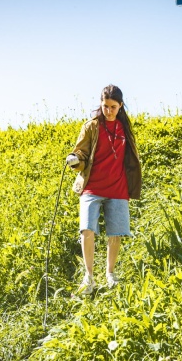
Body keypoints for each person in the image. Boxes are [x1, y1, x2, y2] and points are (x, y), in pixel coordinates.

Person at [66, 84, 142, 294]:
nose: (108, 111)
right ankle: (88, 277)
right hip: (92, 187)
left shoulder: (125, 128)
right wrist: (75, 160)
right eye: (105, 106)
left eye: (113, 107)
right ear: (101, 104)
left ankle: (110, 274)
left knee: (115, 233)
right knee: (86, 229)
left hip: (118, 188)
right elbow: (81, 153)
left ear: (120, 106)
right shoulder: (91, 126)